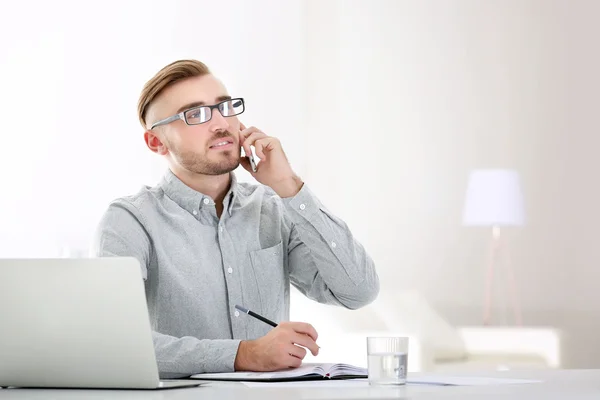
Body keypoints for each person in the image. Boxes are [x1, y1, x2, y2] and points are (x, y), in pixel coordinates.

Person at [92, 59, 379, 379]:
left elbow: (358, 290)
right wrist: (243, 354)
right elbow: (113, 342)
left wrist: (288, 186)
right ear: (156, 142)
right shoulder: (130, 220)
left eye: (224, 107)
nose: (220, 124)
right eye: (195, 114)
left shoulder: (272, 207)